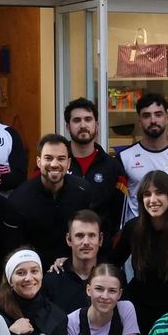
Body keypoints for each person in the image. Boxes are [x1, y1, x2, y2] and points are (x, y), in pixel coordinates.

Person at [111, 170, 168, 329]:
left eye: (159, 193)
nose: (153, 200)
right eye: (147, 194)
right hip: (137, 313)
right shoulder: (133, 229)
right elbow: (112, 263)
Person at [7, 135, 94, 265]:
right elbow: (14, 249)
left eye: (61, 159)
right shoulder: (20, 199)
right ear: (38, 162)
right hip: (34, 273)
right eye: (48, 158)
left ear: (68, 163)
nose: (54, 164)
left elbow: (92, 234)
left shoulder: (83, 191)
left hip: (74, 268)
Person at [64, 98, 126, 234]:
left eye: (88, 119)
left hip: (101, 248)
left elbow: (119, 213)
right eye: (76, 120)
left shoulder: (113, 167)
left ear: (96, 125)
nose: (83, 125)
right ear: (68, 127)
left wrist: (109, 244)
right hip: (62, 247)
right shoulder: (57, 164)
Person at [116, 93, 168, 227]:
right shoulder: (125, 157)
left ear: (167, 118)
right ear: (139, 121)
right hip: (136, 232)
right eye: (146, 115)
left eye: (158, 114)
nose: (153, 120)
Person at [42, 210, 105, 314]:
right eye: (79, 236)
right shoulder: (52, 281)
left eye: (92, 235)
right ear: (69, 239)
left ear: (101, 239)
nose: (86, 242)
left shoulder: (112, 278)